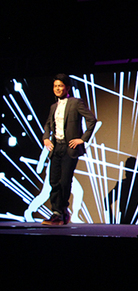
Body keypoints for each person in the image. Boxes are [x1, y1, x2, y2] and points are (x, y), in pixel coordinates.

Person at [42, 74, 97, 225]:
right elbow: (47, 124)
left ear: (67, 88)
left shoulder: (75, 102)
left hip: (70, 148)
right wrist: (46, 137)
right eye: (55, 86)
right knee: (54, 181)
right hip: (56, 147)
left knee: (65, 181)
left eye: (60, 86)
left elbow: (91, 119)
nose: (57, 89)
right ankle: (57, 212)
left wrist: (82, 139)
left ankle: (61, 212)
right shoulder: (53, 107)